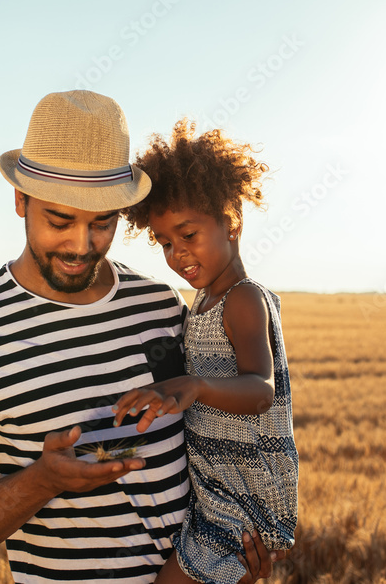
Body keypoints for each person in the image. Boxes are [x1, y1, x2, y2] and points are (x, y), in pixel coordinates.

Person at [0, 91, 283, 584]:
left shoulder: (161, 308)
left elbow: (198, 437)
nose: (81, 246)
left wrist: (228, 558)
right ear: (20, 199)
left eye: (102, 223)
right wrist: (43, 481)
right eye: (60, 221)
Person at [113, 119, 299, 584]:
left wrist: (194, 386)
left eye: (188, 235)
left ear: (230, 219)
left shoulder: (242, 297)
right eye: (165, 243)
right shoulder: (204, 299)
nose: (177, 254)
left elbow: (261, 389)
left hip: (245, 497)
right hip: (217, 490)